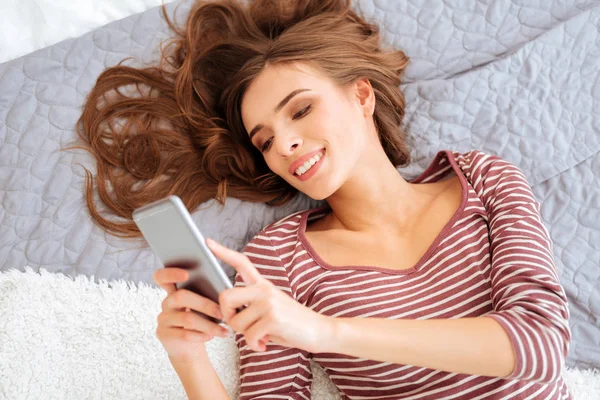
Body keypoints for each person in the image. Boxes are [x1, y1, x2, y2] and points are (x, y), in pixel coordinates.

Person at [67, 0, 572, 398]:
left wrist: (322, 331)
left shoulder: (482, 179)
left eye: (302, 110)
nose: (283, 144)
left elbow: (539, 343)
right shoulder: (276, 260)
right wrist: (188, 359)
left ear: (361, 96)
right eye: (264, 140)